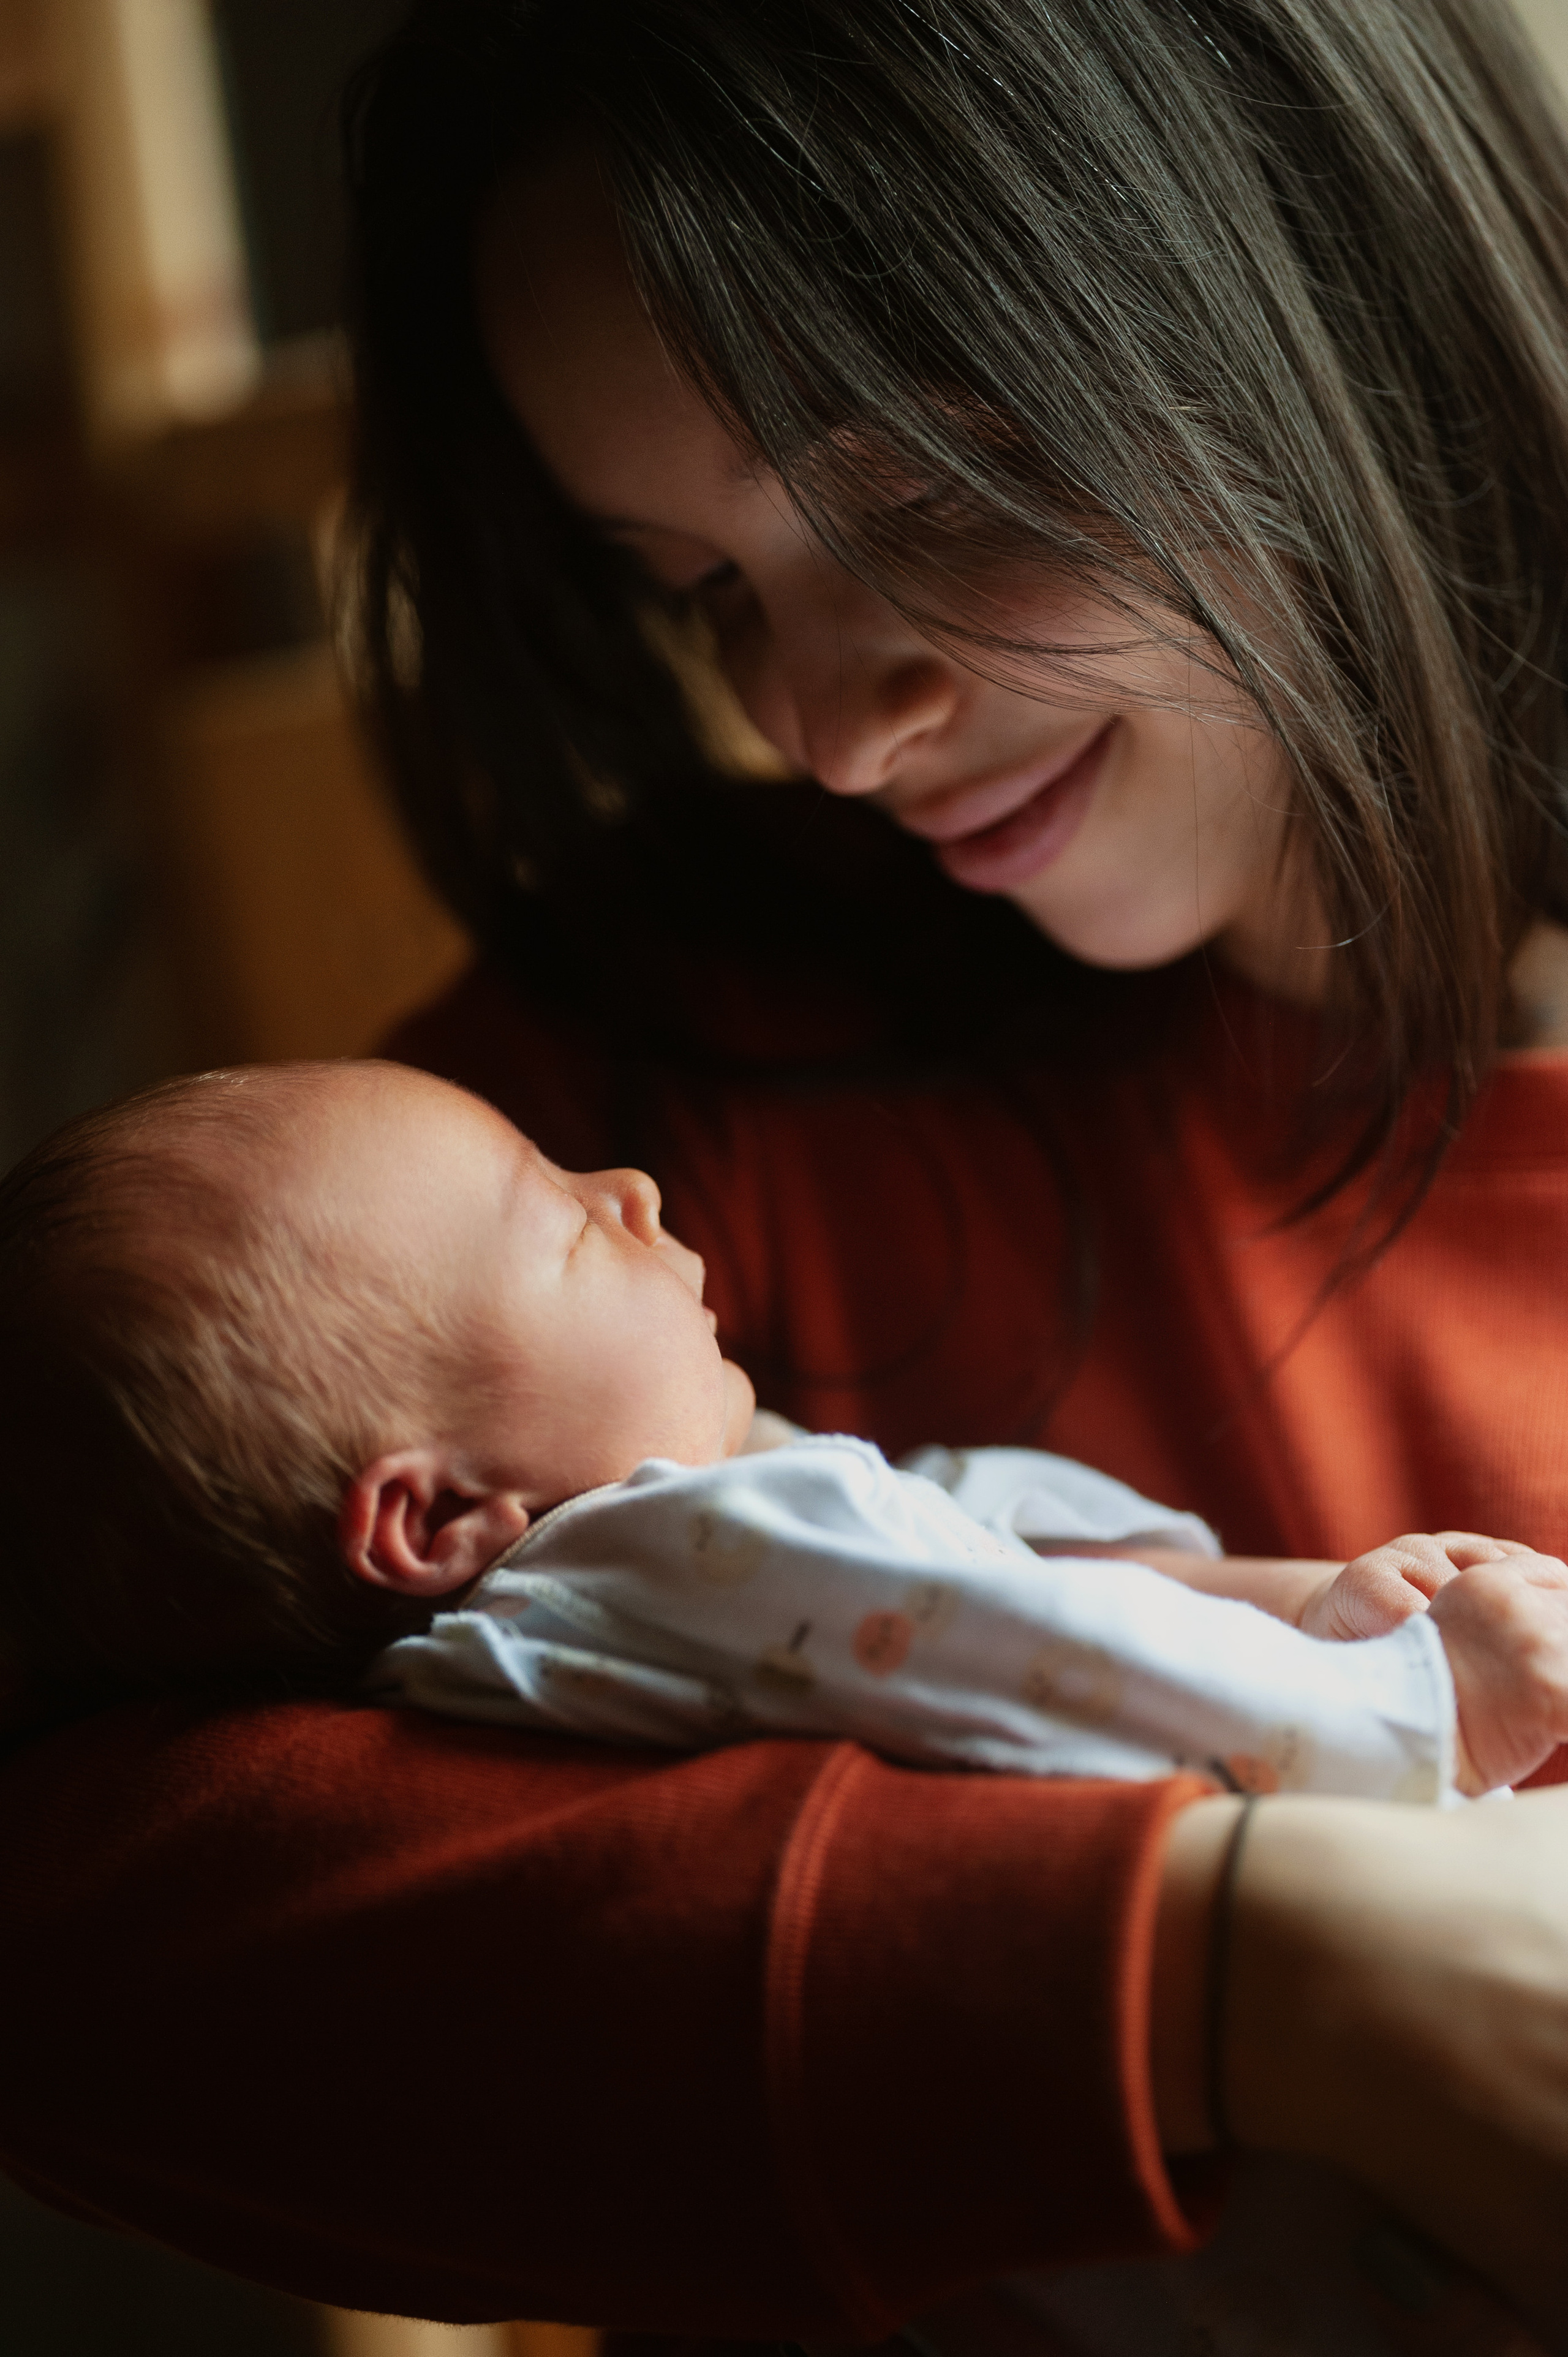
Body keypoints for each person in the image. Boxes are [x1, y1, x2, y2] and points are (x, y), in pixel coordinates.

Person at [7, 0, 1568, 2347]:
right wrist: (1250, 1964)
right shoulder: (651, 1100)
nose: (823, 727)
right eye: (702, 587)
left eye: (925, 501)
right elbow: (74, 1893)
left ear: (1312, 294)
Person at [10, 1054, 1564, 1812]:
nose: (626, 1189)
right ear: (436, 1519)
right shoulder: (666, 1558)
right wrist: (1420, 1704)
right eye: (551, 1218)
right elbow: (1045, 1640)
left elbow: (1004, 1564)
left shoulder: (567, 1638)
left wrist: (1306, 1609)